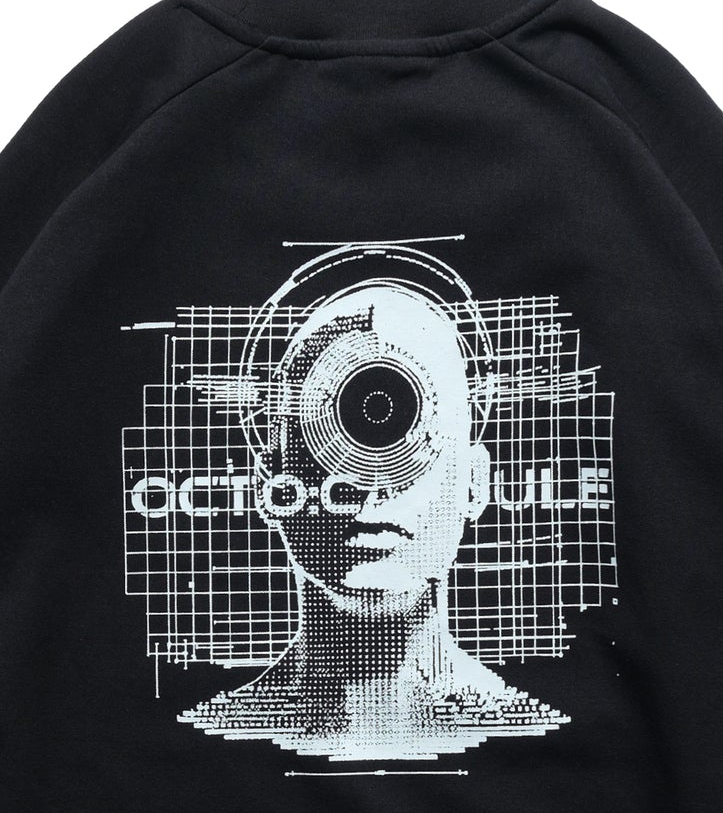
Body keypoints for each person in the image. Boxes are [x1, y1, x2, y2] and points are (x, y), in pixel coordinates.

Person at [180, 252, 568, 759]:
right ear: (268, 483)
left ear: (474, 483)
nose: (371, 477)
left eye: (409, 423)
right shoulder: (208, 737)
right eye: (330, 426)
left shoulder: (537, 735)